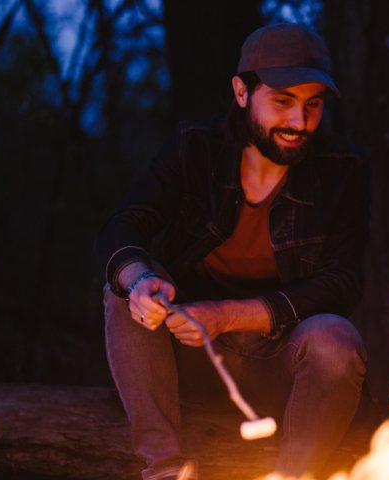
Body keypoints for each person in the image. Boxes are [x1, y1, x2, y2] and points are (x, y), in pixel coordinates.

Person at [94, 23, 370, 480]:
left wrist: (225, 314)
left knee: (335, 338)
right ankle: (163, 470)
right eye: (283, 101)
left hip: (279, 368)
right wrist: (140, 281)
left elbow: (342, 284)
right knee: (125, 289)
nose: (300, 123)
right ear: (242, 92)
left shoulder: (344, 169)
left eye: (313, 104)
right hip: (186, 360)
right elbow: (124, 225)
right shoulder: (194, 149)